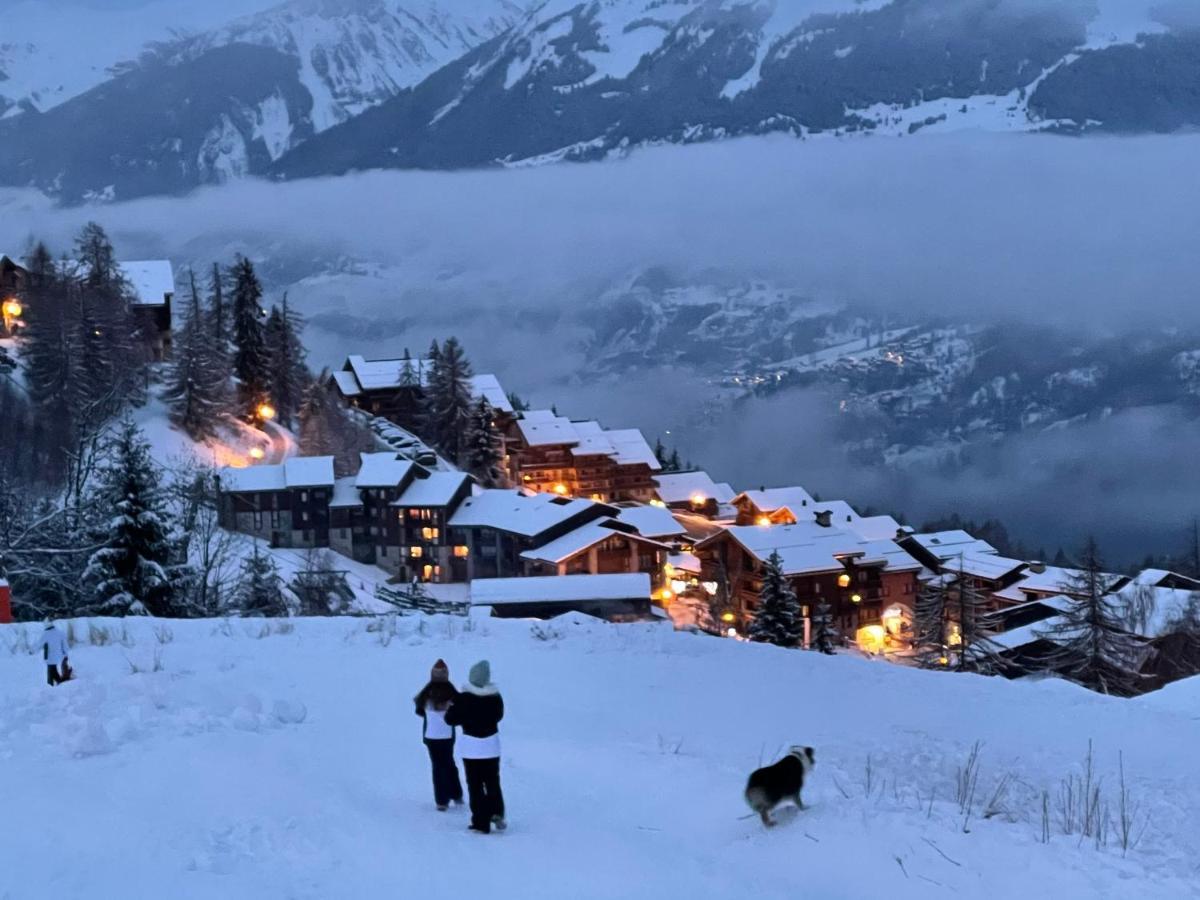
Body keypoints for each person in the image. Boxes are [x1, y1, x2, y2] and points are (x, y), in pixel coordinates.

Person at [445, 659, 506, 834]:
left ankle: (480, 822)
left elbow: (450, 720)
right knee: (493, 781)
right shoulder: (495, 697)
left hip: (472, 749)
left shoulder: (464, 699)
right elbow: (499, 716)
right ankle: (497, 812)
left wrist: (451, 709)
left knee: (475, 784)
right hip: (492, 746)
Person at [413, 659, 463, 811]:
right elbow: (460, 710)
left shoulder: (426, 692)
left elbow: (419, 710)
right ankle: (456, 794)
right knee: (449, 763)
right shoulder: (452, 692)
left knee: (437, 766)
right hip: (447, 736)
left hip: (430, 736)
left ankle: (441, 801)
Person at [42, 621, 70, 686]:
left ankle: (50, 686)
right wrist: (65, 654)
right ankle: (60, 682)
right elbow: (66, 646)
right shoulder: (60, 633)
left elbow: (38, 644)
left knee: (50, 672)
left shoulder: (46, 634)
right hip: (58, 657)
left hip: (50, 657)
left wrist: (31, 651)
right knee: (53, 670)